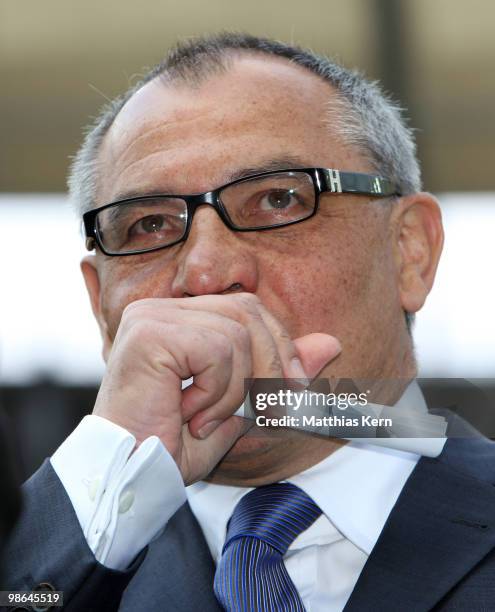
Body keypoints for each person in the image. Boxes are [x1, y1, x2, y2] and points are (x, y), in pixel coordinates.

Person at [4, 33, 495, 611]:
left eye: (278, 199)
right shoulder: (61, 562)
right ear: (103, 310)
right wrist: (111, 471)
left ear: (410, 251)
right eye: (149, 226)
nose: (208, 274)